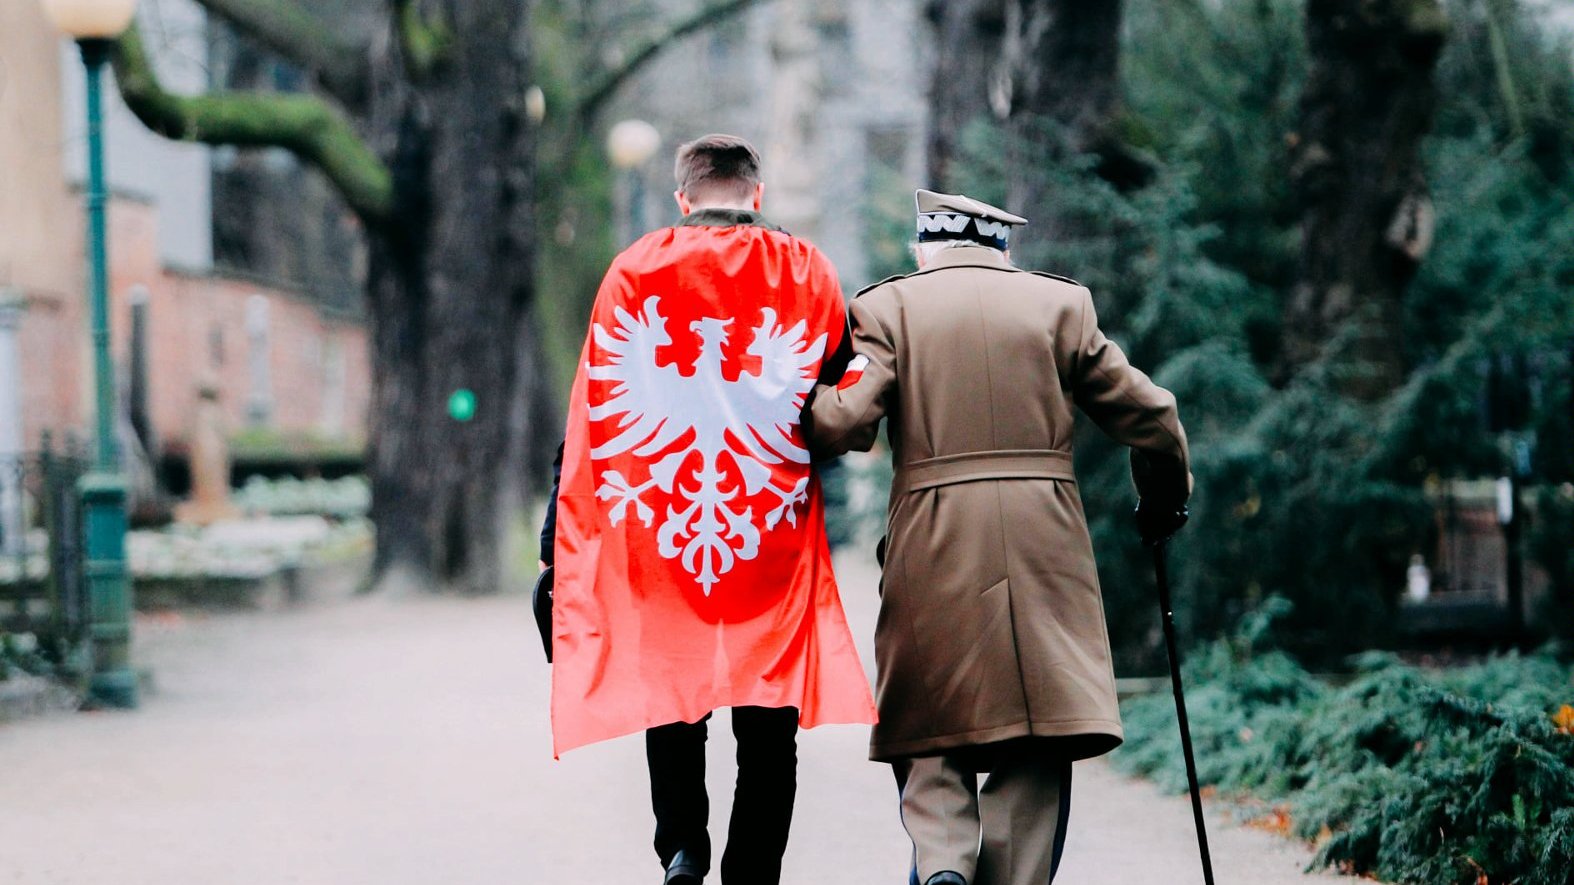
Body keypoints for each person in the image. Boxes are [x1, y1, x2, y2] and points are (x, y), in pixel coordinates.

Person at [803, 190, 1192, 885]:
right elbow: (1154, 416)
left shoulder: (887, 308)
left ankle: (945, 863)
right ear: (1002, 249)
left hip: (933, 536)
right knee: (1038, 728)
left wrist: (813, 393)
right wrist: (1161, 504)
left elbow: (842, 424)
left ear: (926, 248)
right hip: (1046, 541)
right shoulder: (1061, 305)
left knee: (929, 718)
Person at [542, 134, 876, 885]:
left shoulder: (633, 269)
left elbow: (593, 414)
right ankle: (752, 870)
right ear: (757, 194)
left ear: (682, 198)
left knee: (672, 695)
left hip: (662, 530)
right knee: (770, 718)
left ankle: (682, 849)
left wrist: (552, 541)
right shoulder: (808, 269)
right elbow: (841, 399)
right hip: (769, 529)